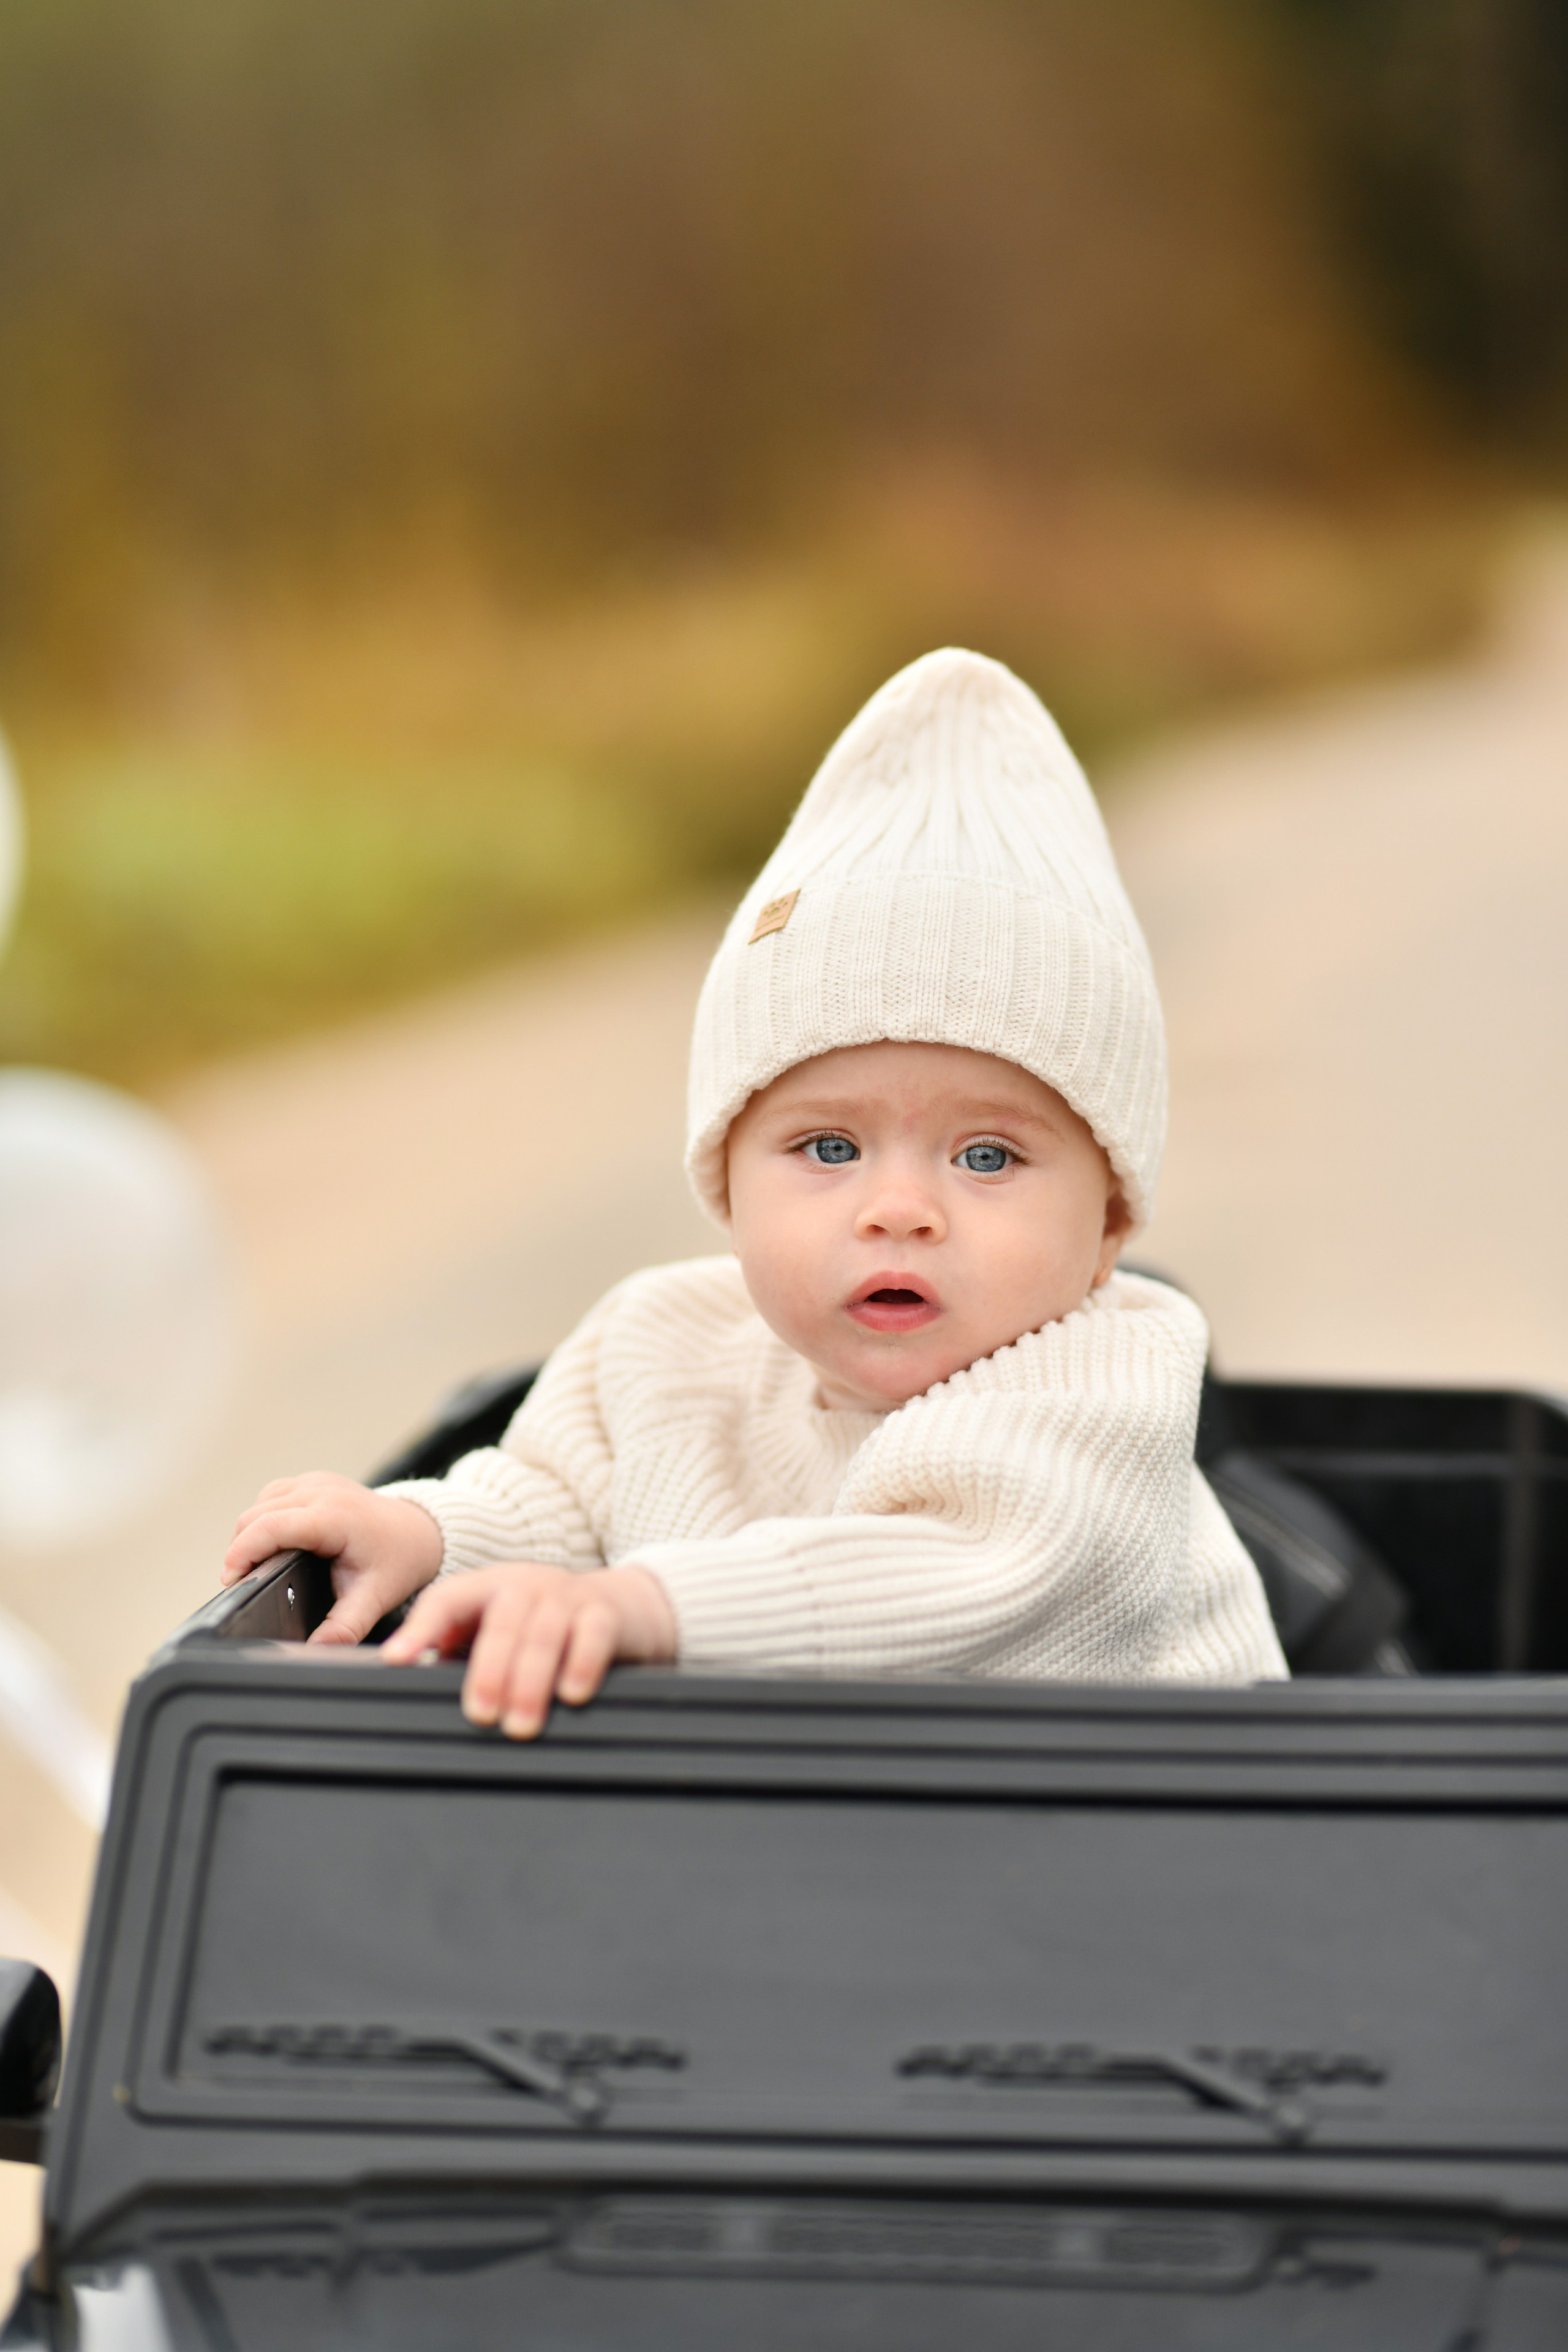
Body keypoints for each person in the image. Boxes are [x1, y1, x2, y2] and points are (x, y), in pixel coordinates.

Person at [224, 648, 1287, 1735]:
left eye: (986, 1158)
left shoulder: (1103, 1397)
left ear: (1109, 1224)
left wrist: (647, 1606)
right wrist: (430, 1537)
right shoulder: (667, 1344)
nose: (898, 1210)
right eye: (828, 1150)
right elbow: (564, 1499)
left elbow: (937, 1587)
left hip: (1144, 1860)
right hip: (845, 1855)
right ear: (727, 1181)